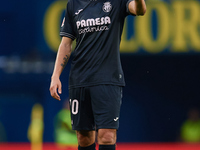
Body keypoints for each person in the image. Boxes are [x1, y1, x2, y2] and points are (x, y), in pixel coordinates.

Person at [49, 0, 146, 150]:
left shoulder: (117, 2)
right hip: (79, 79)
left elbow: (140, 10)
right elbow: (66, 44)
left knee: (107, 135)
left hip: (108, 79)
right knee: (84, 137)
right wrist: (55, 75)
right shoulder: (73, 5)